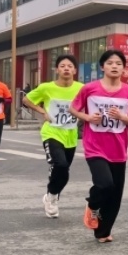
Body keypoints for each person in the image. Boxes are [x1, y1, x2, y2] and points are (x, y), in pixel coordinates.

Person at [69, 50, 128, 242]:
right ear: (102, 67)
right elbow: (73, 108)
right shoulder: (90, 88)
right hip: (95, 146)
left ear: (124, 68)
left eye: (118, 63)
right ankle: (92, 205)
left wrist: (122, 117)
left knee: (115, 194)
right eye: (110, 63)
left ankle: (103, 232)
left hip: (118, 149)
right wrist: (87, 117)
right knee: (104, 184)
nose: (114, 66)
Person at [23, 54, 84, 218]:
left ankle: (51, 194)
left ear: (75, 70)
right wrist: (42, 111)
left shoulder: (82, 88)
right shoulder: (46, 87)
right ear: (57, 70)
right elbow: (26, 100)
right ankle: (52, 198)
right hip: (51, 132)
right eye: (62, 66)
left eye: (69, 66)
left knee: (64, 171)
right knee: (61, 165)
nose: (66, 69)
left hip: (70, 134)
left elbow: (89, 104)